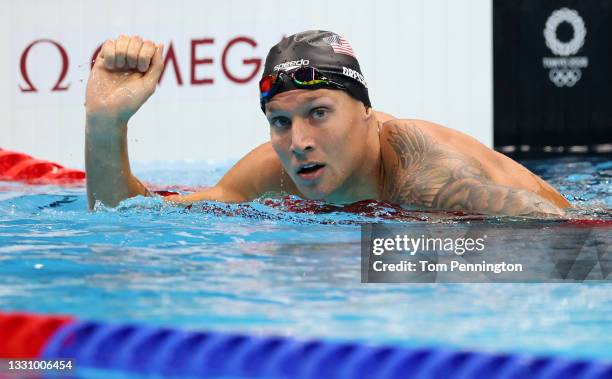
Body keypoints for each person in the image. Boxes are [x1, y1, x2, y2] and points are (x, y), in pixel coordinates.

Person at [85, 31, 570, 217]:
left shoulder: (423, 173)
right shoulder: (275, 171)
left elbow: (578, 247)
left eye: (319, 113)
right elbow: (120, 213)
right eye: (280, 121)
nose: (298, 143)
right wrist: (106, 124)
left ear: (367, 112)